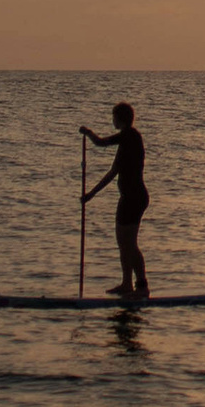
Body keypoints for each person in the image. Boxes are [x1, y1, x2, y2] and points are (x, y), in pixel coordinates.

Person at [81, 102, 151, 302]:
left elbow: (101, 143)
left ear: (120, 118)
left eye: (113, 117)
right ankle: (126, 283)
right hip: (127, 198)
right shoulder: (126, 143)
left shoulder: (130, 136)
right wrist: (91, 194)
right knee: (123, 243)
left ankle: (142, 286)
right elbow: (112, 173)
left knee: (130, 244)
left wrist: (88, 133)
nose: (112, 120)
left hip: (135, 198)